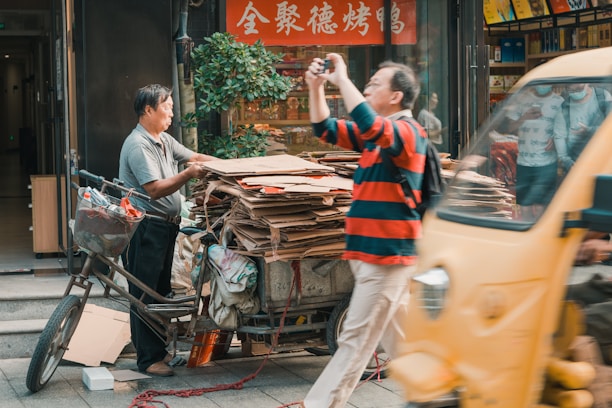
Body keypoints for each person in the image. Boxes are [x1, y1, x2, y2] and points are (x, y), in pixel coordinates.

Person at [301, 54, 427, 407]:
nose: (367, 88)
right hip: (369, 255)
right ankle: (441, 393)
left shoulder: (406, 133)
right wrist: (315, 87)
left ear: (396, 96)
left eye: (374, 84)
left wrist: (341, 79)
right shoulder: (376, 138)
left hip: (387, 257)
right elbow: (324, 128)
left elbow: (372, 125)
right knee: (402, 341)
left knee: (354, 340)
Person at [119, 84, 219, 377]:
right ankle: (149, 359)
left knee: (160, 292)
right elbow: (154, 189)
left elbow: (195, 158)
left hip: (164, 228)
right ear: (148, 110)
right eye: (167, 107)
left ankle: (158, 352)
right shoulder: (139, 145)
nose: (171, 112)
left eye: (173, 107)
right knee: (145, 293)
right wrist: (187, 174)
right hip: (145, 227)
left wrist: (234, 167)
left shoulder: (162, 139)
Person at [503, 84, 568, 218]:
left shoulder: (560, 102)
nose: (543, 86)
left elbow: (567, 131)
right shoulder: (522, 100)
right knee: (525, 207)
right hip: (524, 162)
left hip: (547, 163)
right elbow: (508, 128)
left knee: (541, 208)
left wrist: (556, 140)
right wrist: (524, 117)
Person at [559, 83, 612, 171]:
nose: (575, 93)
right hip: (575, 161)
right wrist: (565, 159)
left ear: (587, 83)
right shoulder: (565, 103)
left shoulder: (602, 96)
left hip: (601, 158)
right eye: (571, 90)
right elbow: (559, 134)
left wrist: (589, 130)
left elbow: (610, 128)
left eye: (579, 89)